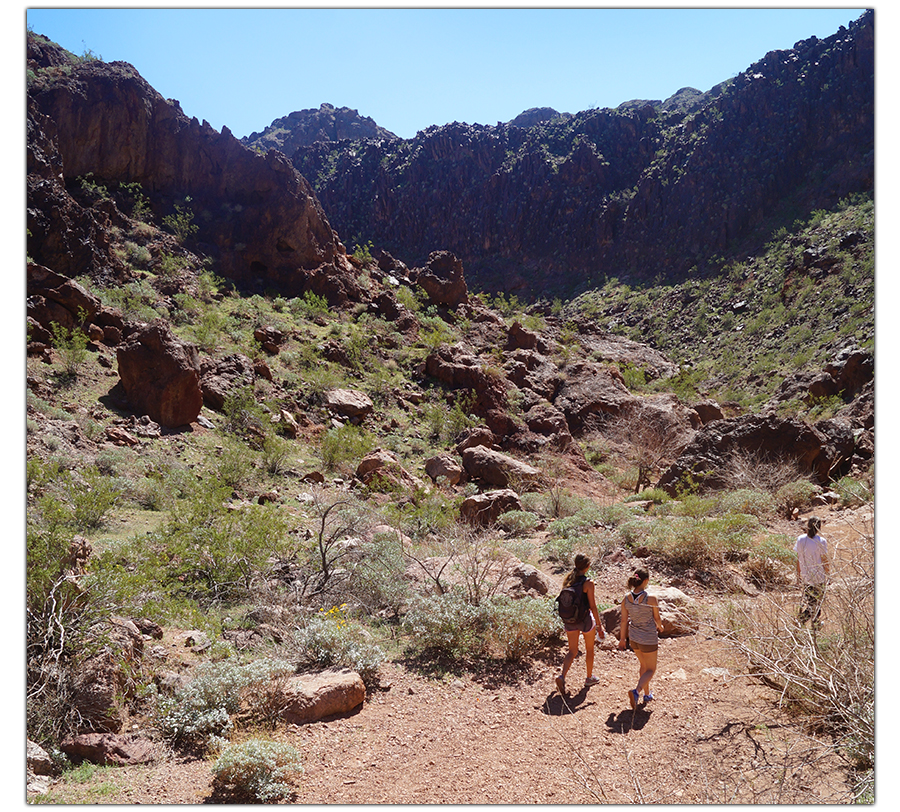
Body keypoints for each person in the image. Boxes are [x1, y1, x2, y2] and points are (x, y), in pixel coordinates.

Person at [555, 554, 605, 695]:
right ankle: (589, 678)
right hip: (585, 621)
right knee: (589, 649)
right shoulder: (588, 583)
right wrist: (600, 625)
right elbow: (593, 606)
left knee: (572, 651)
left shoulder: (569, 580)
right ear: (588, 566)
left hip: (570, 620)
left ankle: (562, 676)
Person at [618, 568, 664, 709]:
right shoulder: (651, 598)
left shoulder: (626, 598)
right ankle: (636, 691)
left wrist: (622, 639)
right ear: (645, 581)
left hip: (634, 638)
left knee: (643, 666)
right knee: (651, 669)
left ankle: (647, 694)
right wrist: (660, 627)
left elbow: (624, 621)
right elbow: (657, 618)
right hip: (648, 638)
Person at [795, 516, 829, 628]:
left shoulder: (800, 539)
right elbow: (824, 560)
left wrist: (798, 575)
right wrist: (828, 574)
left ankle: (815, 625)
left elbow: (798, 558)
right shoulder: (821, 541)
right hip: (818, 576)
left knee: (811, 601)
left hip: (806, 576)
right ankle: (801, 621)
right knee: (816, 603)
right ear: (819, 527)